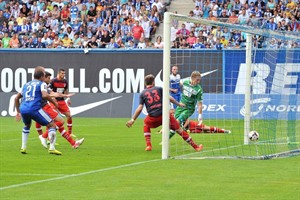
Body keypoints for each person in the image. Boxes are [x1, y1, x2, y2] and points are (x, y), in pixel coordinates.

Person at [126, 74, 203, 152]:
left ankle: (148, 145)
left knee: (146, 124)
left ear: (145, 84)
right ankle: (196, 147)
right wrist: (178, 104)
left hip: (153, 117)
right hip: (165, 116)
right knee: (179, 130)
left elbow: (140, 108)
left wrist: (132, 120)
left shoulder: (143, 93)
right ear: (153, 82)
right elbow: (169, 98)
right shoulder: (159, 89)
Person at [14, 66, 61, 155]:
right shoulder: (41, 83)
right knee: (52, 125)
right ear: (42, 76)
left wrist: (18, 112)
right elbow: (44, 95)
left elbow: (16, 98)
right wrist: (54, 102)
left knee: (27, 125)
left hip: (23, 108)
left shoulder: (26, 84)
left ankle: (23, 147)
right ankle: (52, 148)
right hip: (34, 108)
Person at [36, 71, 85, 149]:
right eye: (48, 78)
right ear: (43, 78)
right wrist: (53, 99)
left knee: (60, 126)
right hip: (43, 107)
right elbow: (48, 94)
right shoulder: (42, 84)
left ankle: (73, 143)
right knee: (60, 122)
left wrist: (65, 95)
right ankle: (44, 136)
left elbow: (53, 93)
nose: (50, 79)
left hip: (44, 106)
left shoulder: (44, 85)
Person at [170, 71, 203, 139]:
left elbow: (200, 104)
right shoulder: (185, 82)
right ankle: (185, 133)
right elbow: (178, 83)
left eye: (199, 80)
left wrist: (200, 115)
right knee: (174, 122)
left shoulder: (199, 89)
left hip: (189, 109)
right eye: (197, 80)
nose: (198, 82)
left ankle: (165, 140)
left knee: (177, 122)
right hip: (181, 106)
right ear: (192, 78)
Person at [49, 69, 74, 136]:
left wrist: (68, 98)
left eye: (64, 73)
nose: (63, 75)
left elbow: (65, 91)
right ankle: (49, 136)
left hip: (61, 101)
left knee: (69, 116)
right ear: (58, 73)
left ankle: (69, 133)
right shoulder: (53, 81)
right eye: (62, 73)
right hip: (53, 101)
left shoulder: (65, 81)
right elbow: (50, 91)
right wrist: (53, 98)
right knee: (53, 119)